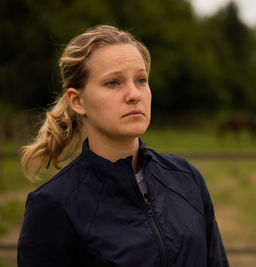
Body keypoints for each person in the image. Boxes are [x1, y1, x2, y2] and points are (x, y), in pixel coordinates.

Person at [18, 25, 229, 267]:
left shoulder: (187, 178)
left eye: (141, 80)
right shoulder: (52, 206)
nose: (134, 94)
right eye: (113, 83)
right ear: (77, 101)